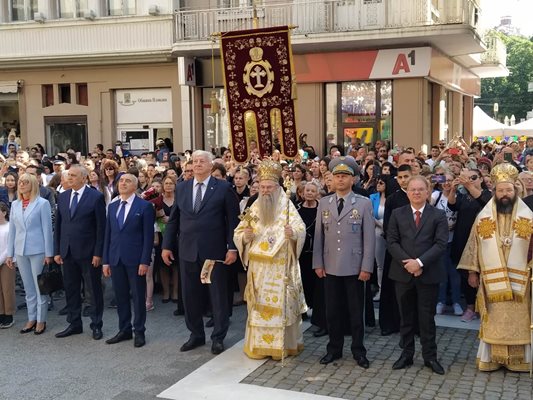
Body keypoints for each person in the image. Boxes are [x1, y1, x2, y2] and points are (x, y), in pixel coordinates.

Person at [162, 150, 240, 355]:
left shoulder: (223, 188)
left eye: (201, 161)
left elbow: (233, 221)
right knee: (190, 296)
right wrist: (167, 246)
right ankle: (196, 335)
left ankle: (218, 337)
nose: (197, 164)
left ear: (210, 165)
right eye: (194, 161)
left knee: (217, 297)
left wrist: (232, 247)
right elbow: (174, 220)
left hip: (214, 252)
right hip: (187, 250)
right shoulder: (183, 187)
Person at [458, 163, 533, 372]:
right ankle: (492, 359)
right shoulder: (484, 216)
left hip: (521, 282)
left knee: (519, 320)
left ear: (515, 191)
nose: (505, 194)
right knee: (494, 321)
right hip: (492, 280)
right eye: (501, 190)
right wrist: (472, 271)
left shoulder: (528, 216)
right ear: (495, 192)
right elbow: (474, 244)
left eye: (508, 190)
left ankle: (520, 360)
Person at [233, 160, 307, 359]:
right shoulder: (254, 207)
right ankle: (259, 346)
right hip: (259, 269)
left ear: (277, 187)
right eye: (262, 187)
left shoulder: (287, 206)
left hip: (280, 267)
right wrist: (244, 238)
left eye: (269, 187)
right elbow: (239, 231)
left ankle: (284, 346)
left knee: (282, 307)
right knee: (259, 308)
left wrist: (293, 235)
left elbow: (301, 230)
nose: (265, 191)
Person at [313, 156, 375, 368]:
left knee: (356, 312)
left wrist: (367, 267)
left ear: (353, 180)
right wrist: (317, 263)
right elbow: (319, 237)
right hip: (330, 266)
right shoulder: (324, 203)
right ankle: (334, 349)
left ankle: (359, 351)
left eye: (344, 177)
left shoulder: (364, 204)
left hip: (355, 267)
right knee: (332, 312)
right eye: (337, 176)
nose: (340, 180)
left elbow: (369, 238)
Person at [387, 175, 448, 375]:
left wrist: (420, 263)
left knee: (426, 318)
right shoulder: (397, 213)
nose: (416, 193)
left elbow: (440, 244)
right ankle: (406, 354)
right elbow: (392, 241)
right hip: (403, 273)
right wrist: (409, 264)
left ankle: (430, 356)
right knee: (406, 316)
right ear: (407, 191)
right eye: (412, 189)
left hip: (427, 273)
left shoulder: (438, 215)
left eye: (420, 189)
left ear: (427, 191)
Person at [54, 165, 106, 341]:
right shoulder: (63, 196)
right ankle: (74, 323)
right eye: (69, 176)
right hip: (67, 251)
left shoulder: (96, 197)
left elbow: (101, 228)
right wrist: (57, 250)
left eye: (74, 176)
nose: (70, 179)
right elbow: (59, 226)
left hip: (89, 253)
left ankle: (96, 324)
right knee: (71, 289)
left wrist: (98, 253)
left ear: (84, 178)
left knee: (93, 290)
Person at [102, 174, 155, 348]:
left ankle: (139, 330)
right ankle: (124, 329)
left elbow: (148, 237)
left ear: (135, 186)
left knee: (138, 297)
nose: (123, 183)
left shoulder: (145, 206)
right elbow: (108, 234)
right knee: (121, 296)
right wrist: (106, 260)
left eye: (128, 181)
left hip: (135, 259)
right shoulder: (113, 206)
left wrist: (144, 261)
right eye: (121, 181)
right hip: (116, 258)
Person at [6, 173, 53, 335]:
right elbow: (12, 230)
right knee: (28, 287)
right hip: (20, 250)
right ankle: (31, 318)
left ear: (33, 184)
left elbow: (47, 230)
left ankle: (41, 320)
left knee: (39, 286)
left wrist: (49, 253)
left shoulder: (42, 204)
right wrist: (9, 254)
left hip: (38, 249)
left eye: (25, 182)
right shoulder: (15, 205)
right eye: (20, 182)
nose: (21, 185)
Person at [0, 202, 15, 328]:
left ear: (4, 213)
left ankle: (9, 315)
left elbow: (9, 246)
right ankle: (1, 313)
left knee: (7, 288)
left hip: (7, 261)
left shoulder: (10, 227)